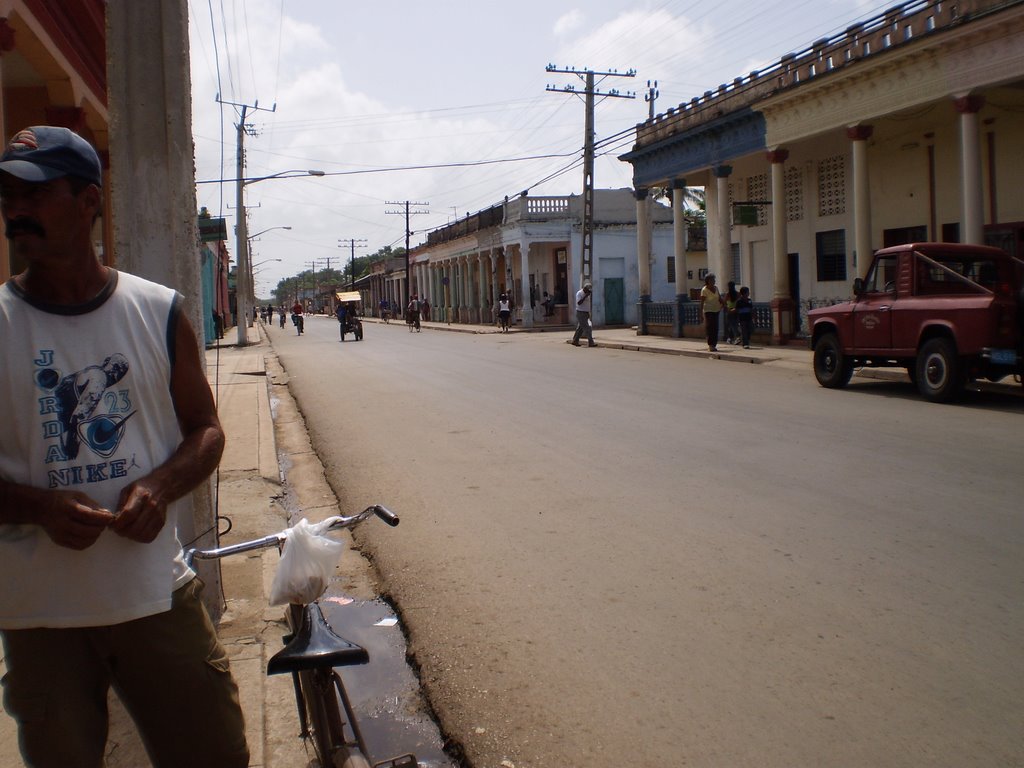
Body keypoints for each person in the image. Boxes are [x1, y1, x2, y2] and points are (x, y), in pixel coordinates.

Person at [0, 125, 249, 767]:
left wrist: (158, 488)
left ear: (88, 203)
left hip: (153, 595)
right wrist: (38, 508)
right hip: (38, 616)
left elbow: (207, 429)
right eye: (7, 194)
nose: (15, 209)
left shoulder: (157, 311)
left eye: (35, 192)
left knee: (215, 753)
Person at [699, 273, 723, 352]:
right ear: (708, 281)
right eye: (712, 279)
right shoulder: (704, 290)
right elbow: (702, 302)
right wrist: (700, 313)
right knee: (710, 327)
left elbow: (719, 298)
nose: (714, 281)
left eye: (714, 279)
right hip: (708, 310)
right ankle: (710, 345)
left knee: (715, 327)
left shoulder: (716, 288)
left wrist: (724, 305)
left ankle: (714, 344)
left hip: (716, 310)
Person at [571, 281, 596, 347]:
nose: (588, 292)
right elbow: (579, 303)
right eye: (587, 290)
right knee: (587, 327)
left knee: (580, 328)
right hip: (580, 312)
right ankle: (591, 342)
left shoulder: (587, 294)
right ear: (585, 288)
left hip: (586, 312)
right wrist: (585, 296)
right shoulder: (579, 293)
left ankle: (575, 340)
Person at [724, 280, 740, 345]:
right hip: (736, 310)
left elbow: (724, 302)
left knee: (732, 325)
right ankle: (730, 338)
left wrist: (727, 309)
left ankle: (737, 337)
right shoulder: (738, 293)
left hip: (729, 310)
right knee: (733, 324)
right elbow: (739, 302)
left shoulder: (728, 294)